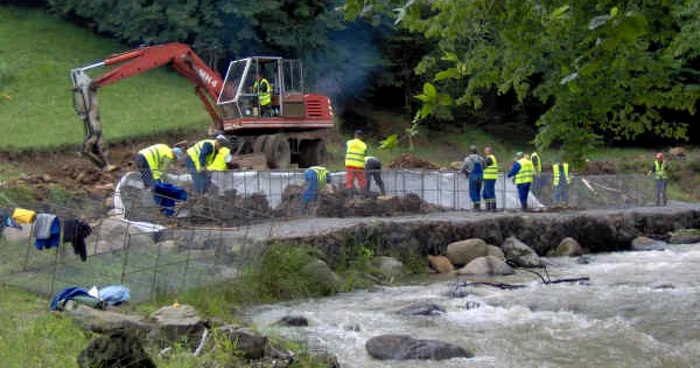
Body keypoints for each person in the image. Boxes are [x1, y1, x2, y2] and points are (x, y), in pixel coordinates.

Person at [461, 145, 485, 211]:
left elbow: (463, 168)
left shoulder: (467, 159)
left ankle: (476, 206)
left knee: (473, 191)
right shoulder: (481, 158)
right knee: (478, 191)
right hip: (480, 176)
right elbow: (484, 167)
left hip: (473, 176)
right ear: (476, 151)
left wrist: (465, 172)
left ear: (470, 152)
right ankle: (478, 206)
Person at [482, 145, 499, 212]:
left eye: (487, 150)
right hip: (487, 177)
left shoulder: (491, 158)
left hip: (490, 177)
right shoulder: (488, 157)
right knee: (485, 193)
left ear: (490, 151)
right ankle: (488, 207)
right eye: (485, 150)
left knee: (490, 192)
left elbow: (484, 164)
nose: (485, 151)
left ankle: (492, 208)